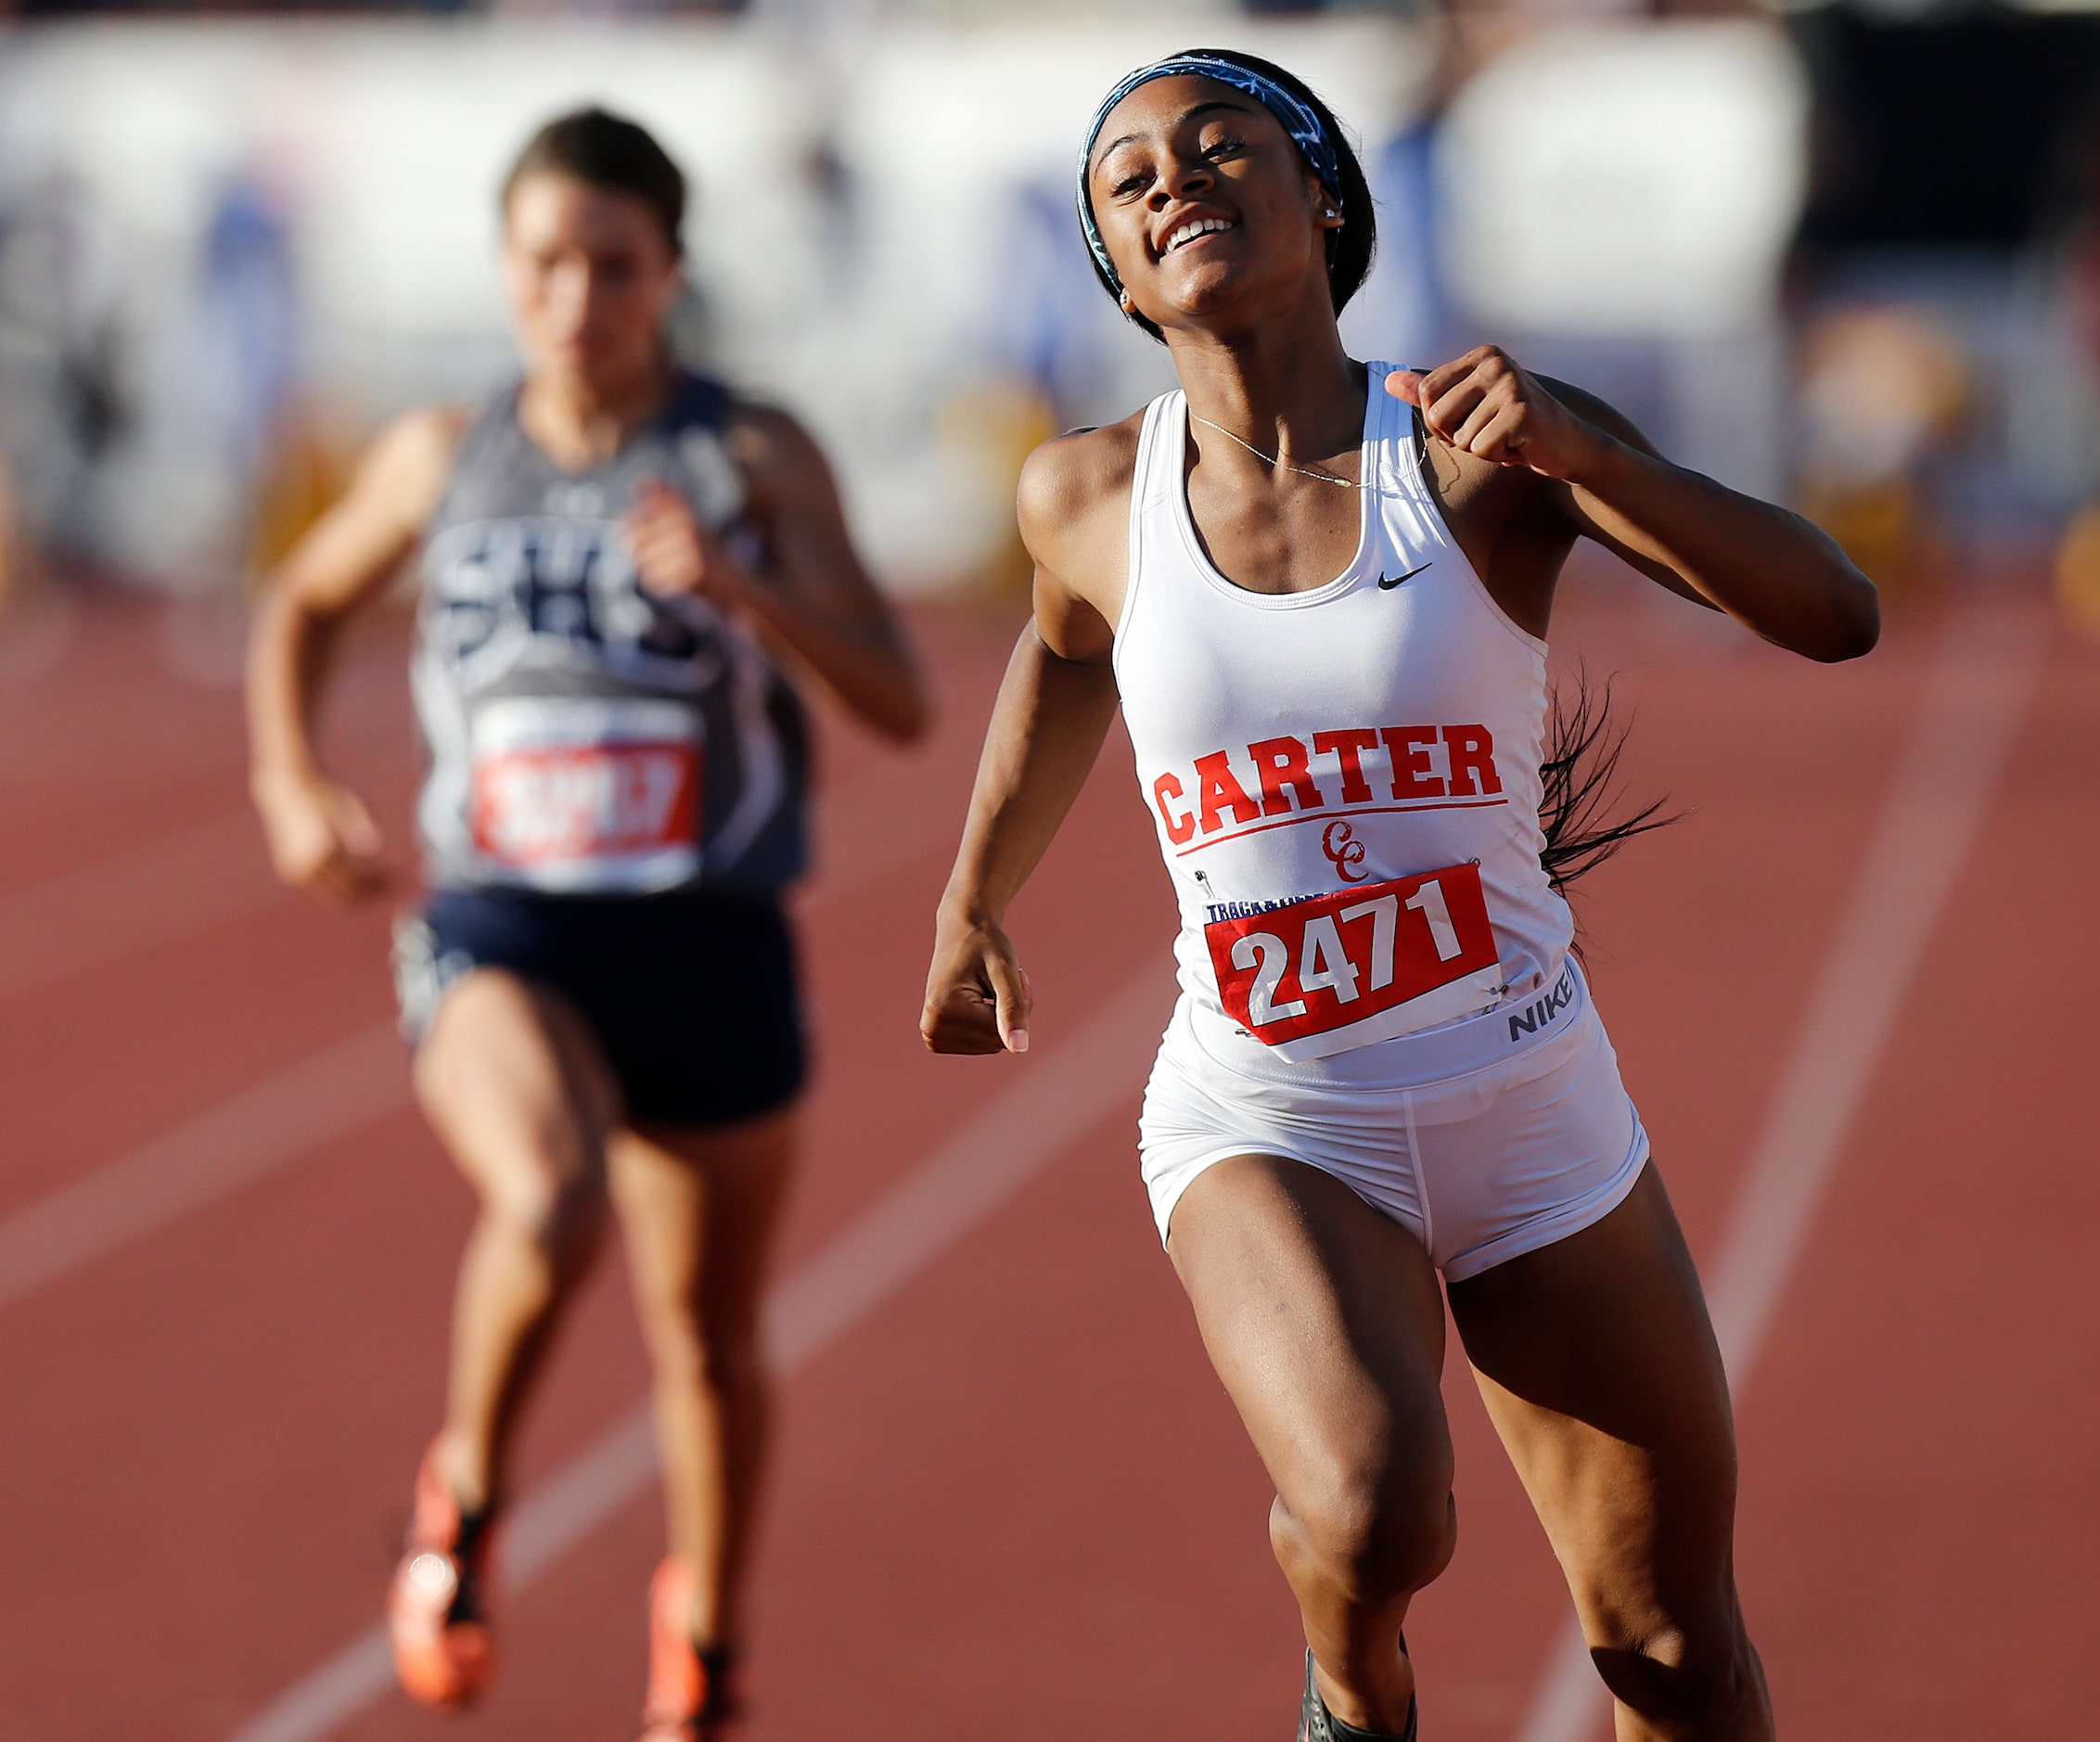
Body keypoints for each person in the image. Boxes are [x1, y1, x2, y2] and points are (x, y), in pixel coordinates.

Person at [921, 51, 1876, 1742]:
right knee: (1375, 1505)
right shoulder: (1084, 493)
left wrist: (1599, 460)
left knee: (1672, 1656)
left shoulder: (1473, 453)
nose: (1173, 184)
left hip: (1527, 1098)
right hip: (1274, 1107)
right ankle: (1351, 1682)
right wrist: (973, 893)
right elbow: (1067, 649)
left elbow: (1831, 612)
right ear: (1117, 276)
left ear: (1324, 200)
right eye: (1128, 183)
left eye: (1218, 148)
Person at [248, 108, 926, 1740]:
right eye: (548, 261)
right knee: (549, 1193)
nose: (579, 297)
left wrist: (746, 590)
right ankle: (468, 1490)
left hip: (708, 934)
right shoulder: (438, 452)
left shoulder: (749, 455)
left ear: (669, 275)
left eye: (615, 266)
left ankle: (705, 1636)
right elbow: (302, 601)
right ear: (507, 269)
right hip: (505, 924)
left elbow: (896, 697)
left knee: (706, 1339)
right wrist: (290, 780)